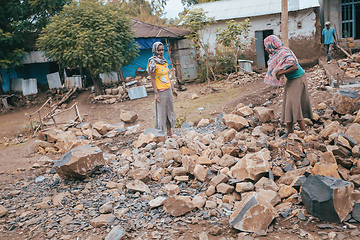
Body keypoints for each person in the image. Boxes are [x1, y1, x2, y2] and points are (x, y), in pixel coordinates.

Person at [263, 35, 313, 137]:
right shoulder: (276, 54)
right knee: (287, 104)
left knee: (294, 104)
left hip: (298, 78)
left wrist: (281, 73)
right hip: (291, 79)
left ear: (271, 45)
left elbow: (294, 66)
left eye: (266, 46)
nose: (265, 49)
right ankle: (289, 131)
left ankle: (304, 132)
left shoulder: (284, 52)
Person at [147, 41, 177, 138]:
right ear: (155, 50)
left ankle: (169, 133)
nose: (161, 52)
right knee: (161, 113)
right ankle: (161, 135)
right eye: (159, 50)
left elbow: (167, 76)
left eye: (162, 50)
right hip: (160, 91)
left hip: (168, 89)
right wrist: (156, 93)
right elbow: (152, 79)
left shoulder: (164, 61)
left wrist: (173, 88)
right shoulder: (152, 63)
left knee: (169, 111)